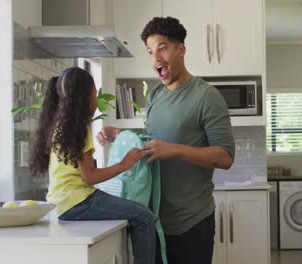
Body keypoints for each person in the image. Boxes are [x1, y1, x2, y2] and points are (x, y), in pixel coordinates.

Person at [97, 17, 235, 264]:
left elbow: (225, 157)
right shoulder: (155, 96)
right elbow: (152, 142)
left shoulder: (207, 96)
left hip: (192, 222)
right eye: (150, 52)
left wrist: (175, 150)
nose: (155, 58)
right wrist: (120, 135)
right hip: (154, 221)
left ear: (180, 50)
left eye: (162, 48)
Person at [29, 67, 155, 264]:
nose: (97, 99)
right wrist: (126, 163)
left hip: (60, 204)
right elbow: (90, 177)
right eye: (95, 93)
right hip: (79, 202)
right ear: (84, 96)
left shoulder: (58, 126)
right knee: (144, 216)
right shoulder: (80, 129)